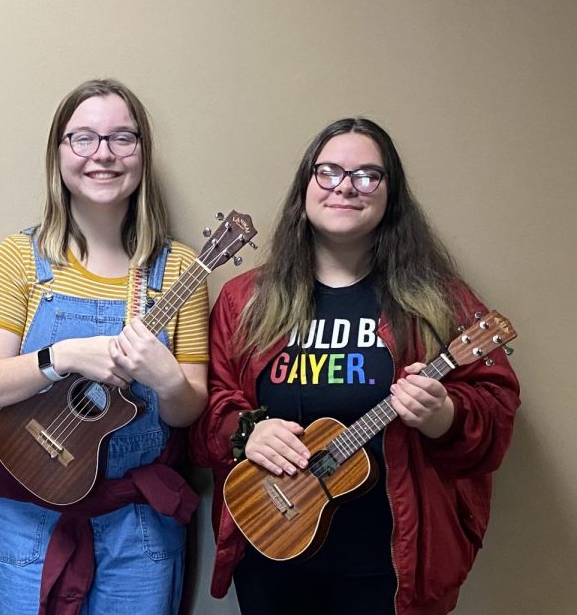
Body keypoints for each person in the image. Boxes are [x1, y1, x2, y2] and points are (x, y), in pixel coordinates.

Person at [189, 118, 520, 615]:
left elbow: (496, 413)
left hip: (390, 565)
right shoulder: (245, 300)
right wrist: (245, 432)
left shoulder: (438, 300)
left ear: (391, 195)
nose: (345, 186)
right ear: (306, 185)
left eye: (368, 175)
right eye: (328, 172)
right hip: (270, 549)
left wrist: (445, 416)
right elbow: (204, 407)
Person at [0, 78, 209, 615]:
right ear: (58, 154)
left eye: (122, 138)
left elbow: (190, 407)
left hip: (138, 528)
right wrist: (62, 358)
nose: (103, 154)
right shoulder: (20, 258)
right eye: (83, 139)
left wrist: (167, 377)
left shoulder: (184, 270)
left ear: (143, 153)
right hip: (27, 520)